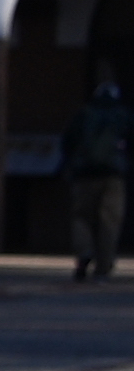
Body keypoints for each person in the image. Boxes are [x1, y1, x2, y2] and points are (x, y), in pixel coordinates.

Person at [70, 72, 131, 283]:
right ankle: (103, 267)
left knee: (81, 216)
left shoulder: (84, 114)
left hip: (85, 174)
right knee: (110, 221)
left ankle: (83, 252)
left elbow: (68, 142)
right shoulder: (123, 116)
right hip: (114, 176)